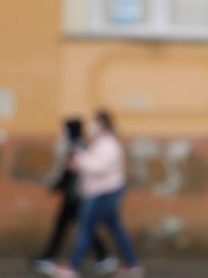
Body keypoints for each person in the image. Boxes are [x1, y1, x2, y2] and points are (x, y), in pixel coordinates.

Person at [52, 110, 143, 278]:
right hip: (102, 192)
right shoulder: (100, 143)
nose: (91, 126)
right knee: (116, 229)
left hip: (103, 193)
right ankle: (132, 265)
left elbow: (98, 167)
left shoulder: (108, 144)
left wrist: (79, 160)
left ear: (103, 124)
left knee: (86, 228)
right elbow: (93, 164)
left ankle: (72, 266)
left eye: (95, 122)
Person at [33, 118, 117, 276]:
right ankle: (102, 257)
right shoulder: (79, 145)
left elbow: (73, 172)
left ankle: (62, 260)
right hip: (75, 196)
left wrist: (56, 186)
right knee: (76, 227)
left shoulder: (76, 147)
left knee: (79, 228)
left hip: (75, 197)